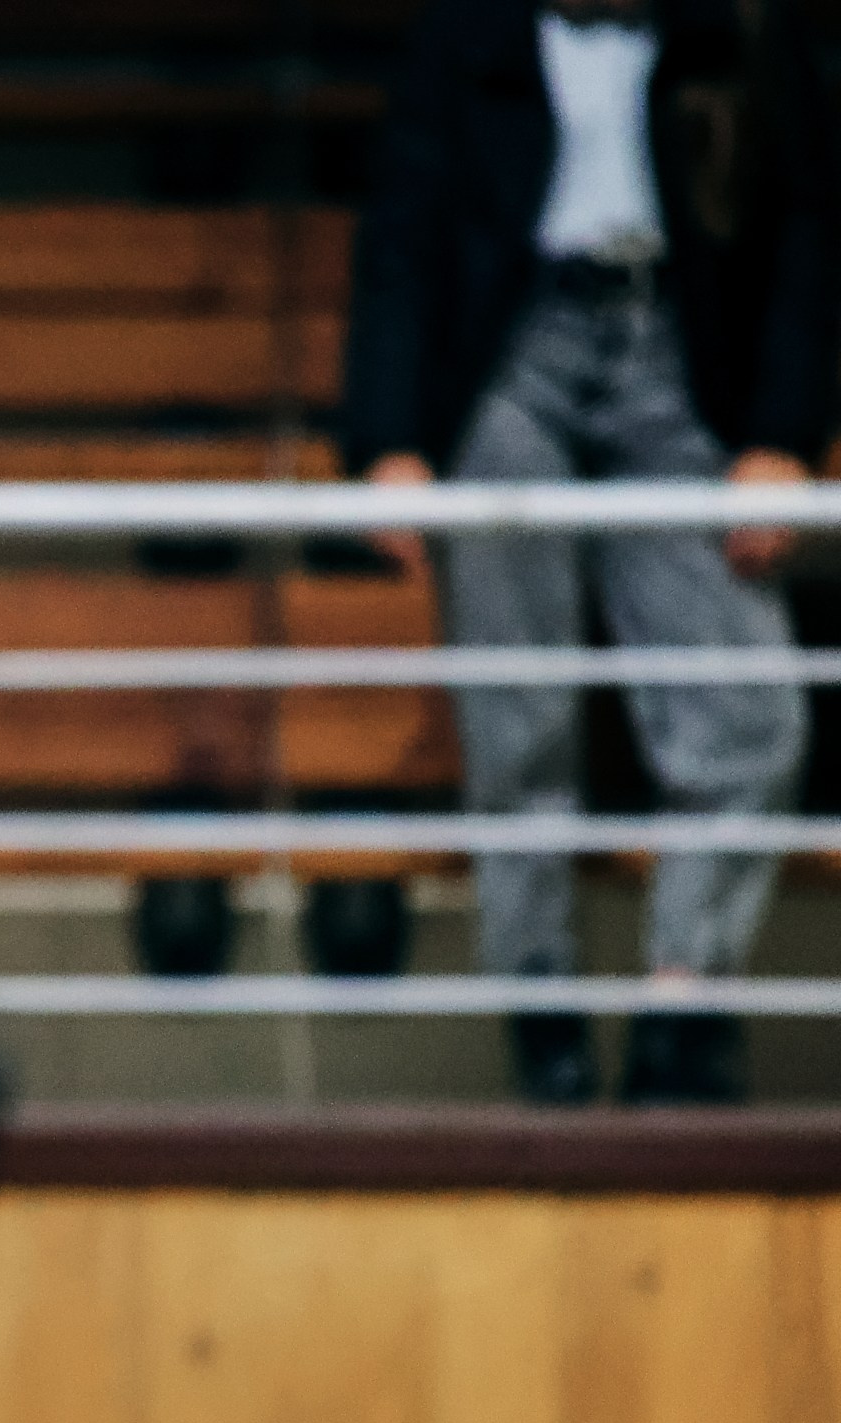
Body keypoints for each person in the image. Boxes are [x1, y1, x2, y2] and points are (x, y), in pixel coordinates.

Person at [344, 0, 838, 1102]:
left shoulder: (746, 29)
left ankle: (685, 999)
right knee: (516, 705)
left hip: (679, 357)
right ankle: (539, 1000)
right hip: (510, 353)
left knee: (751, 709)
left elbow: (808, 230)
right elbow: (404, 229)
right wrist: (388, 439)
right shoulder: (459, 36)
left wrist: (780, 437)